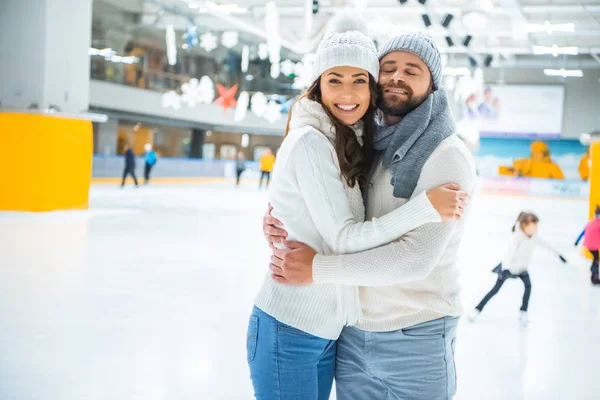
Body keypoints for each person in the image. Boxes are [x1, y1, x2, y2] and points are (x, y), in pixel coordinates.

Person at [248, 20, 469, 400]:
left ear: (433, 84)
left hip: (412, 335)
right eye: (389, 68)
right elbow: (335, 222)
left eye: (412, 70)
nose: (397, 77)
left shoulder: (443, 155)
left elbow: (415, 259)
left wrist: (317, 268)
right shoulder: (358, 143)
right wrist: (279, 218)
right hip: (347, 333)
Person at [469, 212, 568, 326]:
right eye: (534, 225)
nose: (536, 228)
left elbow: (545, 244)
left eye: (537, 225)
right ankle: (477, 309)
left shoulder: (534, 237)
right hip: (509, 268)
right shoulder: (517, 238)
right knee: (494, 290)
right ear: (525, 226)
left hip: (522, 269)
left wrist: (558, 254)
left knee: (528, 286)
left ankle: (523, 311)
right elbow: (508, 254)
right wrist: (505, 269)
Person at [583, 205, 600, 284]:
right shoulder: (598, 224)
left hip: (589, 244)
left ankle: (594, 273)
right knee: (596, 259)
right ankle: (594, 276)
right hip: (593, 245)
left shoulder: (592, 223)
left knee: (596, 258)